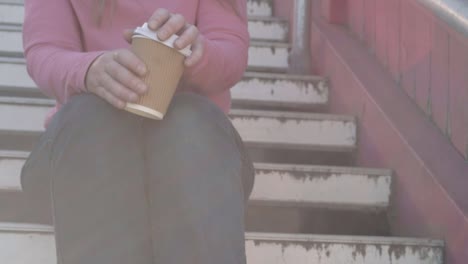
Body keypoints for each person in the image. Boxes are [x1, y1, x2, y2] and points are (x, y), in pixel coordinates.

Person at [20, 0, 254, 263]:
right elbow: (45, 50)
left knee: (190, 121)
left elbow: (230, 48)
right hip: (83, 153)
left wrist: (197, 51)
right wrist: (90, 69)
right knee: (94, 116)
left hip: (192, 158)